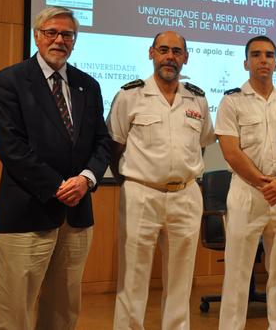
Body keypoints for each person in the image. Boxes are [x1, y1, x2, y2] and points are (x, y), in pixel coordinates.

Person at [0, 6, 111, 329]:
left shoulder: (89, 85)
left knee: (63, 312)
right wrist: (58, 186)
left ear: (75, 40)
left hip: (76, 216)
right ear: (37, 36)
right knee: (15, 314)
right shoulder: (9, 82)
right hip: (27, 214)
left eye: (67, 34)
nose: (59, 40)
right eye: (51, 33)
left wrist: (86, 180)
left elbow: (103, 143)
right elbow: (11, 148)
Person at [107, 31, 215, 329]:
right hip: (142, 194)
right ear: (151, 53)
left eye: (177, 51)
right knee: (133, 278)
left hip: (186, 195)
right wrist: (133, 182)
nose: (170, 56)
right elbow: (114, 147)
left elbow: (201, 143)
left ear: (186, 58)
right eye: (164, 50)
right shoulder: (129, 96)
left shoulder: (198, 99)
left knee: (181, 280)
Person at [216, 36, 276, 330]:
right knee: (237, 275)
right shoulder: (231, 101)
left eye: (269, 55)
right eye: (256, 55)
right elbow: (231, 151)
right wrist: (263, 183)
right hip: (248, 193)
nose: (263, 60)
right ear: (246, 62)